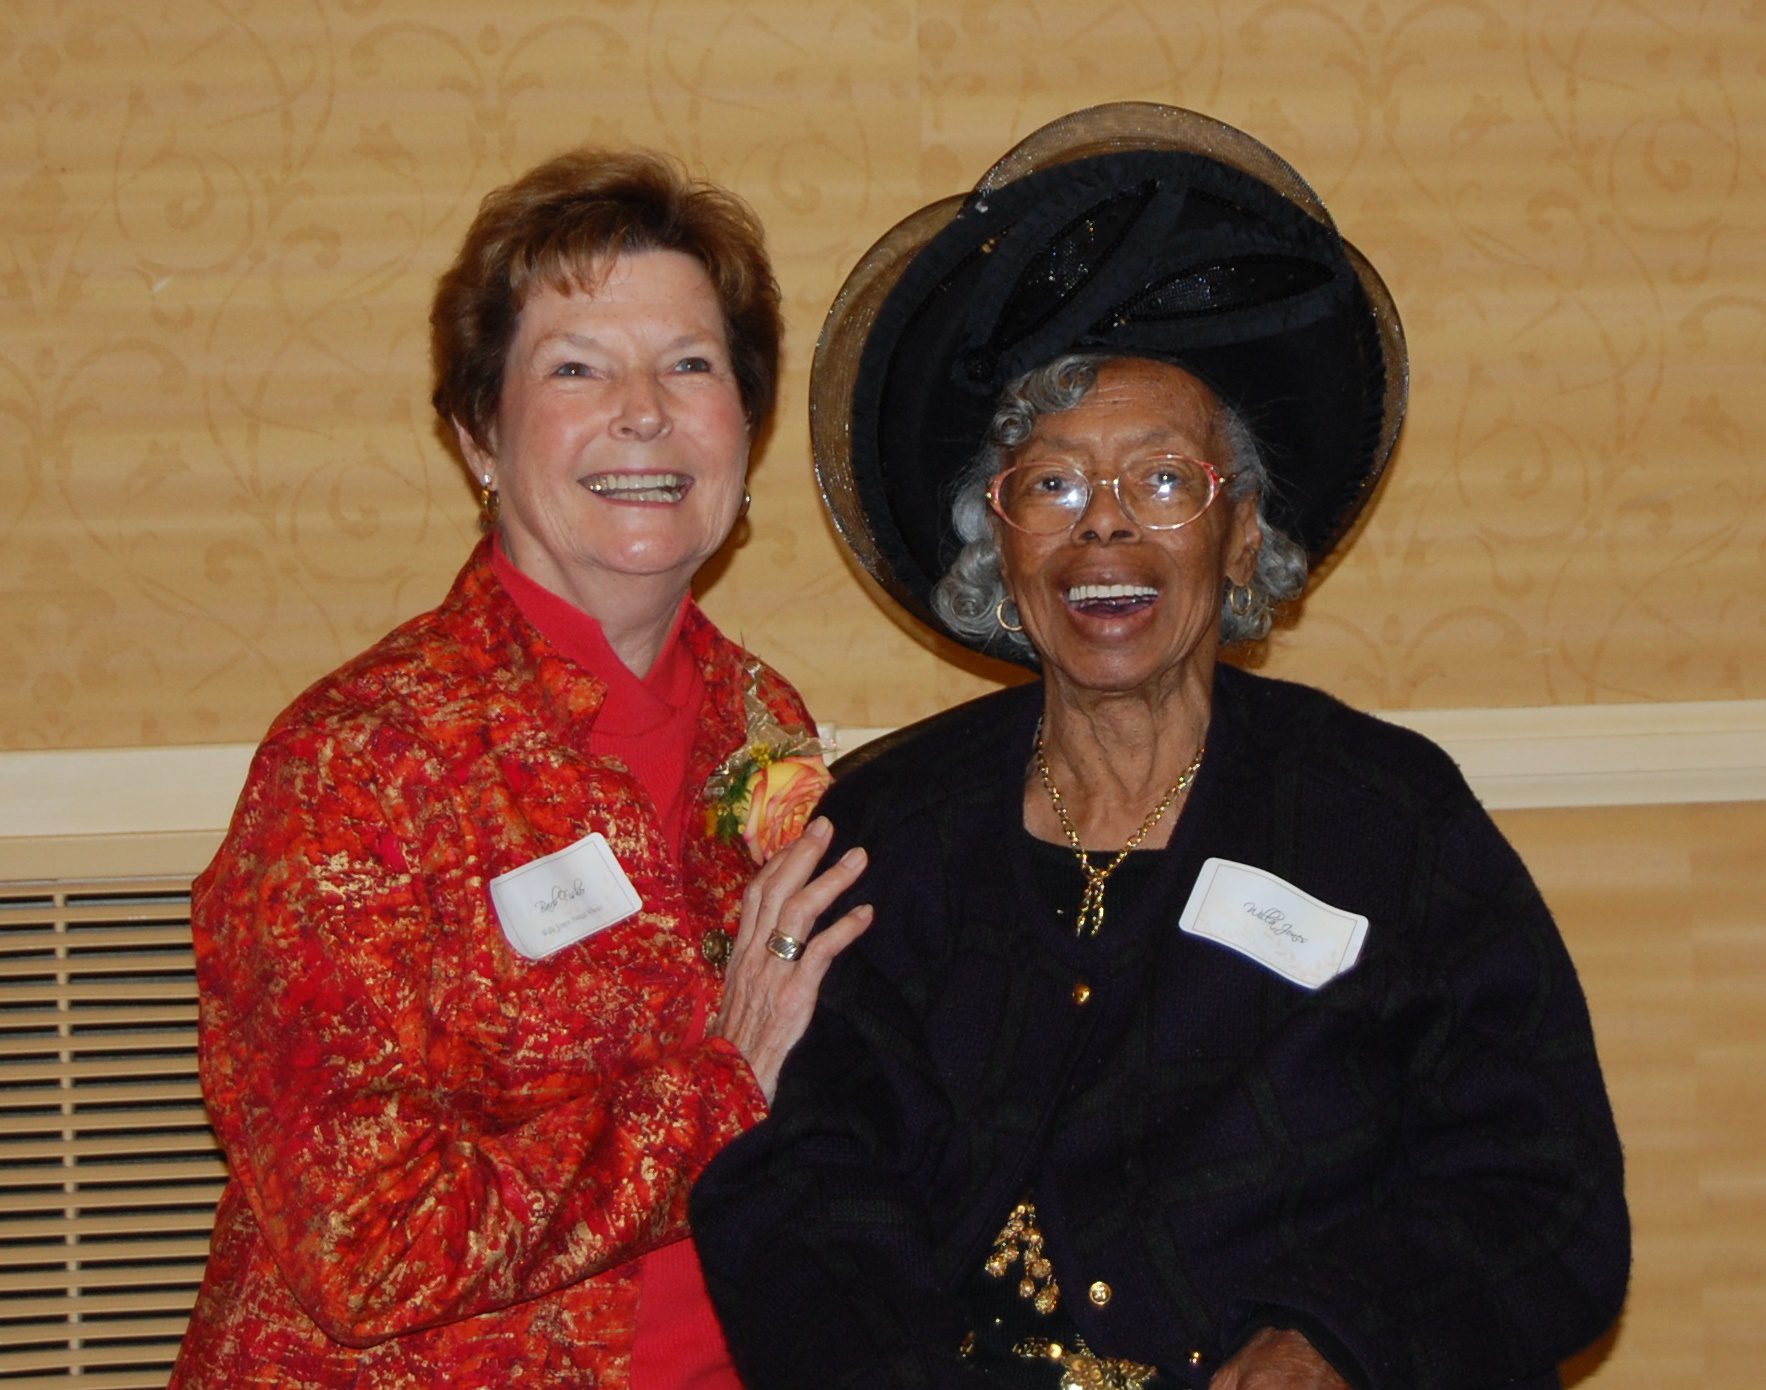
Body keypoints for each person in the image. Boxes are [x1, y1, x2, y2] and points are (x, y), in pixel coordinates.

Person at [691, 104, 1629, 1390]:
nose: (1104, 533)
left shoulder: (1381, 817)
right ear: (996, 544)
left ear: (1239, 536)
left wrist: (1338, 1341)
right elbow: (796, 1182)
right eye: (1052, 486)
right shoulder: (879, 832)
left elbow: (1541, 1196)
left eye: (1164, 482)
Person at [170, 148, 870, 1387]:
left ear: (744, 433)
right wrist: (718, 1091)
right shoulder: (359, 765)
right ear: (478, 436)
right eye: (576, 367)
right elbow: (365, 1245)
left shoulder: (765, 726)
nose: (644, 410)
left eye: (690, 365)